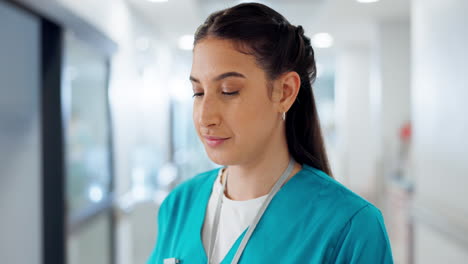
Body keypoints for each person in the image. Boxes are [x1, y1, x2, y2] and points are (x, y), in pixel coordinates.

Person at [147, 3, 393, 264]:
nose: (205, 117)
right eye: (198, 92)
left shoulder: (350, 227)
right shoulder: (179, 205)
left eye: (229, 90)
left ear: (284, 92)